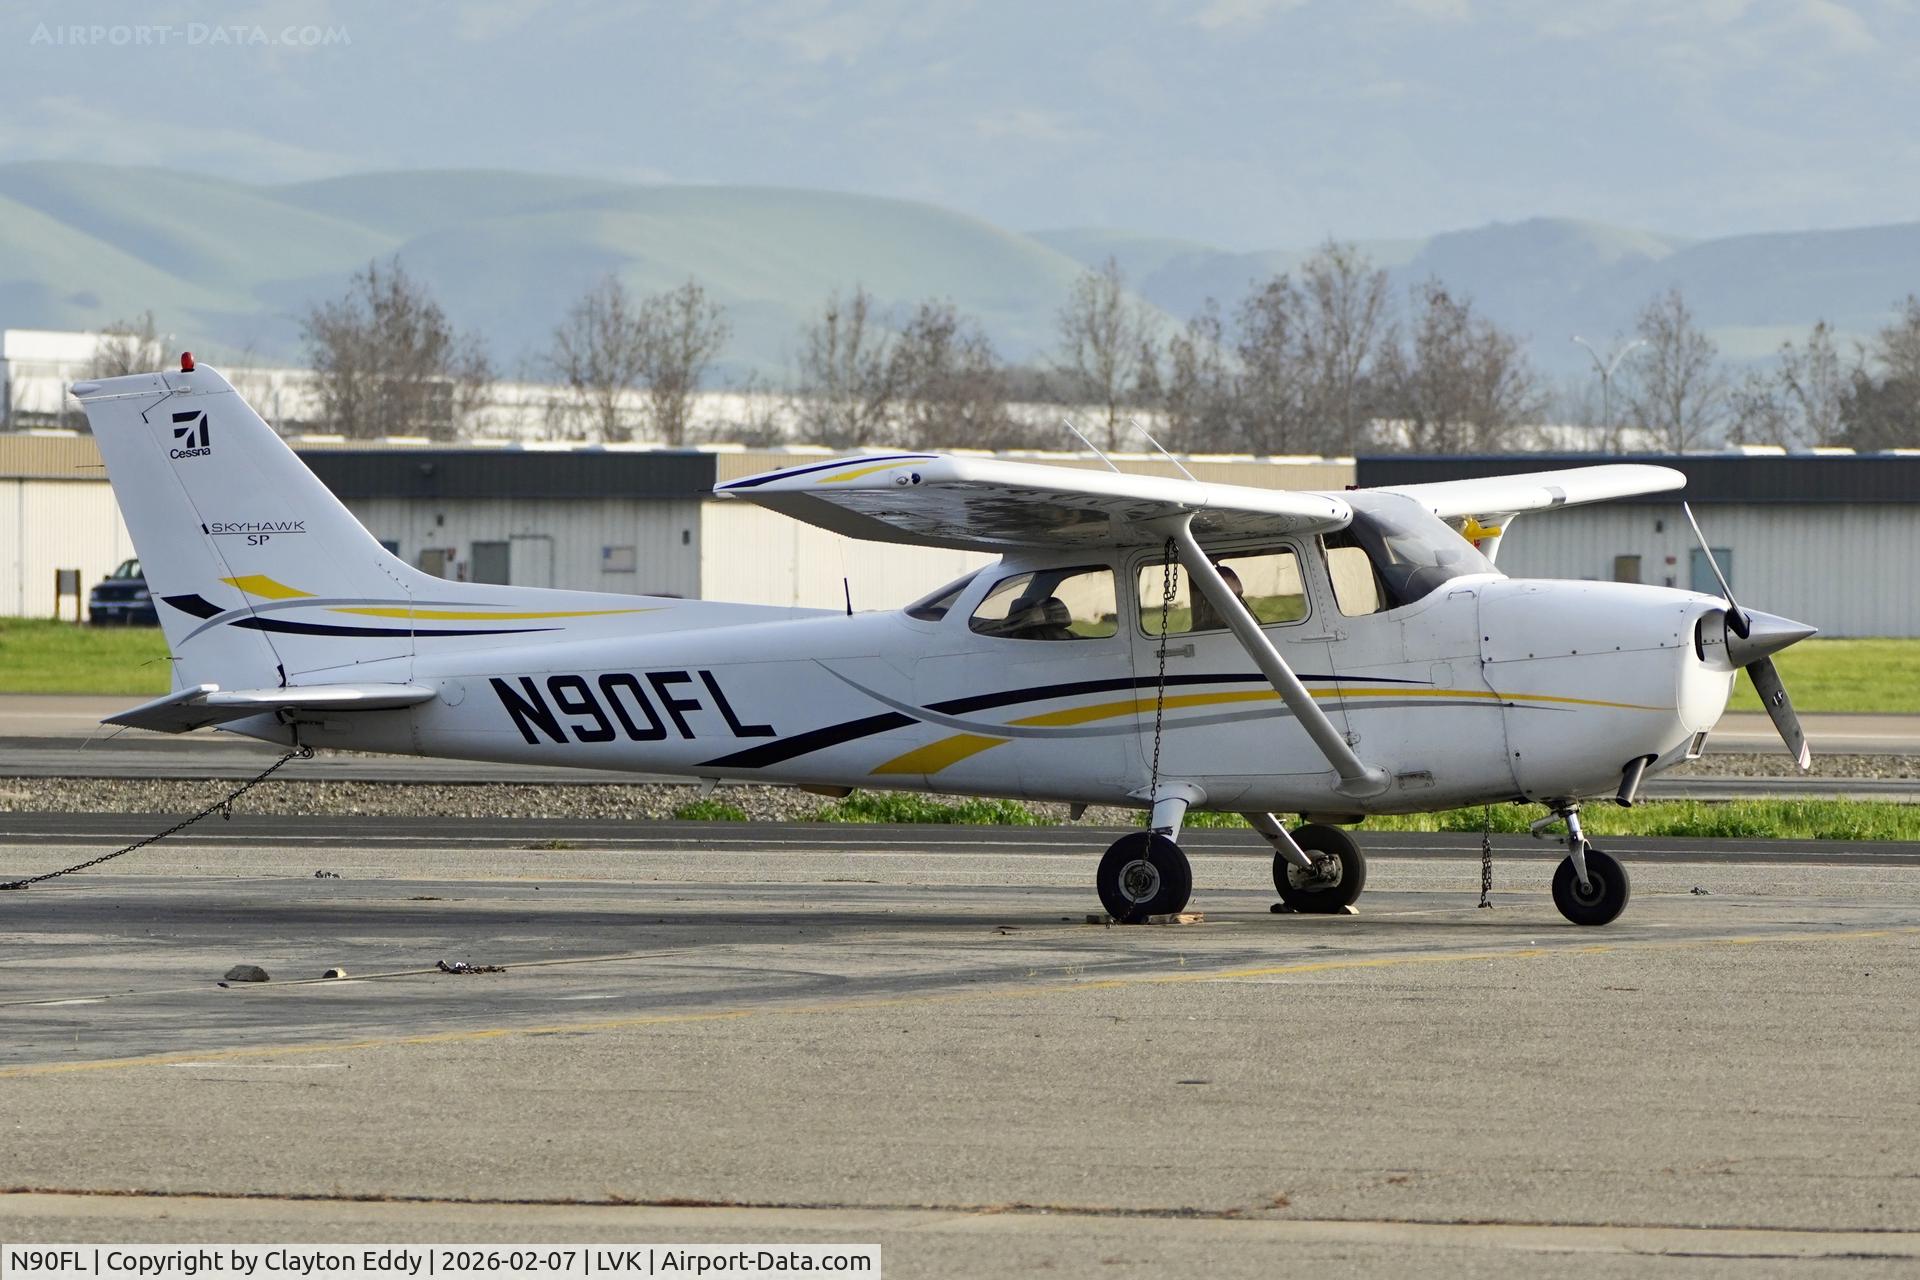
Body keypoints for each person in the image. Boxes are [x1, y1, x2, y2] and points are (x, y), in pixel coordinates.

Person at [1188, 563, 1243, 631]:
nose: (1235, 604)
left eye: (1237, 596)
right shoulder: (1198, 633)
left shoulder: (1248, 629)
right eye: (1224, 598)